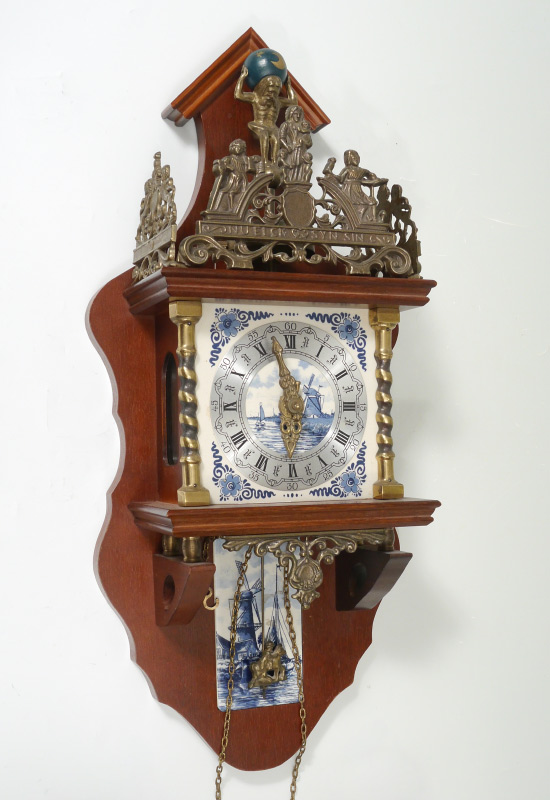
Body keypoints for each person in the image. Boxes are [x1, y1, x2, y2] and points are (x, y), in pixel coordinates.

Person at [235, 65, 298, 165]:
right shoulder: (256, 97)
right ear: (265, 86)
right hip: (258, 124)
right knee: (264, 135)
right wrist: (242, 77)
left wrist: (288, 85)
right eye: (271, 87)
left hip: (272, 127)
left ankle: (275, 163)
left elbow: (294, 101)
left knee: (277, 137)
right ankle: (264, 161)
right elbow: (238, 95)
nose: (273, 90)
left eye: (276, 88)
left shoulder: (278, 101)